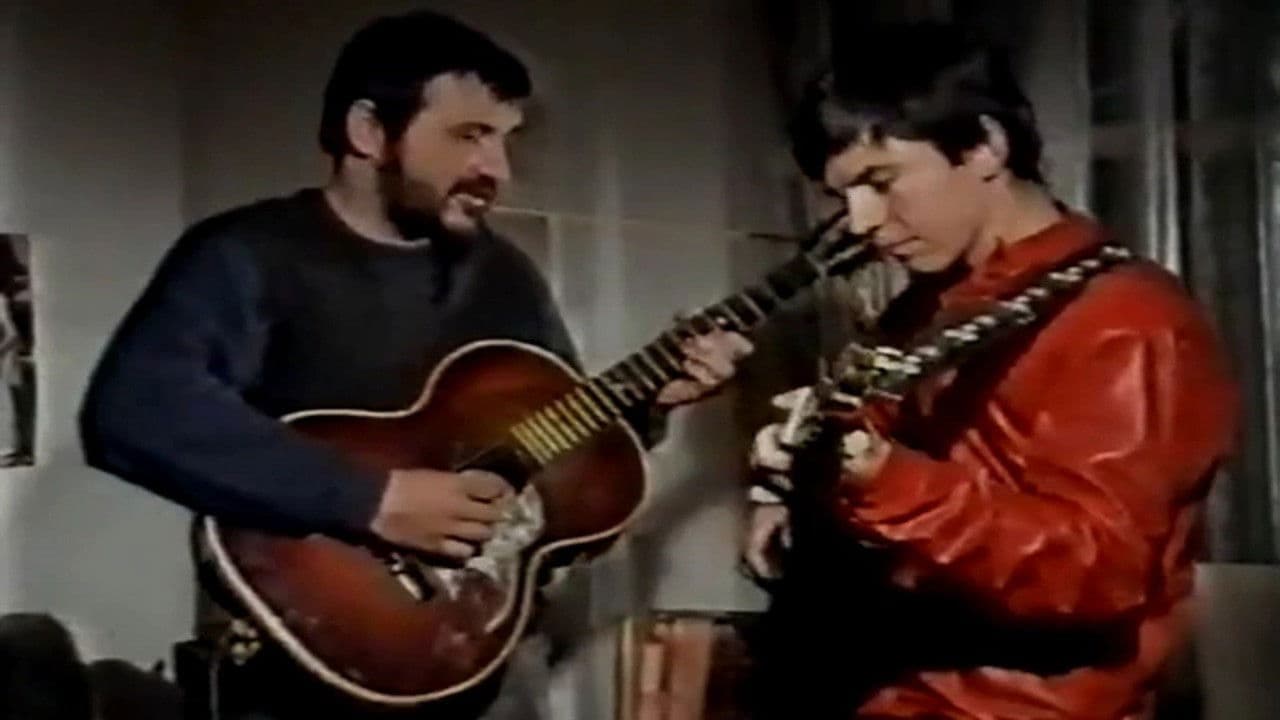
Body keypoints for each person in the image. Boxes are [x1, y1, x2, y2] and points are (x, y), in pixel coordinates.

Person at [77, 10, 752, 720]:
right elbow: (133, 413)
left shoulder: (503, 274)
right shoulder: (246, 256)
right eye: (469, 135)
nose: (497, 170)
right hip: (300, 670)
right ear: (369, 132)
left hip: (481, 660)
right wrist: (374, 500)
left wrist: (652, 402)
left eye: (505, 140)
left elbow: (548, 447)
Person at [741, 21, 1239, 720]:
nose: (861, 222)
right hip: (879, 688)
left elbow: (1096, 574)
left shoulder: (1131, 322)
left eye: (881, 182)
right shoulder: (929, 303)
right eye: (842, 196)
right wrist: (791, 482)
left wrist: (884, 479)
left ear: (984, 146)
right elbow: (876, 445)